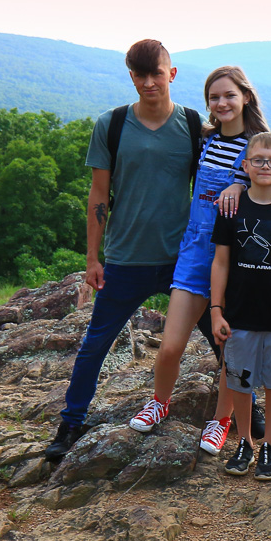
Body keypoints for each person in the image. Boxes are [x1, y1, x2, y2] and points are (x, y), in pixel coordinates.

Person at [45, 39, 217, 463]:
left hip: (182, 258)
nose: (148, 82)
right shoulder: (113, 124)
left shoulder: (194, 126)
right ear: (131, 77)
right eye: (140, 75)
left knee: (222, 339)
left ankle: (241, 415)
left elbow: (220, 177)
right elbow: (98, 194)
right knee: (95, 345)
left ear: (171, 74)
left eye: (156, 73)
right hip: (125, 257)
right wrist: (92, 258)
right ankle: (71, 421)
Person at [127, 66, 269, 454]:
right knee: (171, 345)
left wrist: (242, 181)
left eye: (229, 95)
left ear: (246, 97)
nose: (221, 103)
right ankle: (160, 402)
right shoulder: (203, 139)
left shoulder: (259, 146)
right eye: (214, 97)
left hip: (236, 256)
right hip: (194, 252)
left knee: (230, 350)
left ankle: (221, 421)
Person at [210, 132, 271, 480]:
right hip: (238, 314)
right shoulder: (231, 210)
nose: (265, 166)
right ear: (245, 165)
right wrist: (216, 310)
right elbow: (220, 262)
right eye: (258, 160)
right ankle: (246, 442)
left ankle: (270, 444)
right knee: (238, 380)